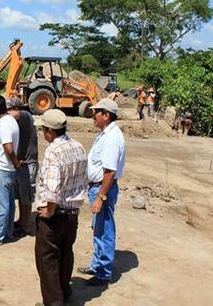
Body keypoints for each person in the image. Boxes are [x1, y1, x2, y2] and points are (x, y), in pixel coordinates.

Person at [34, 109, 88, 305]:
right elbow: (84, 179)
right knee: (66, 254)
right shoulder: (78, 146)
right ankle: (64, 291)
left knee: (47, 261)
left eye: (43, 130)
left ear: (49, 131)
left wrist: (49, 210)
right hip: (72, 214)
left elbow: (52, 186)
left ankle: (54, 302)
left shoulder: (53, 152)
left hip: (55, 215)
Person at [77, 98, 126, 286]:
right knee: (98, 229)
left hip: (102, 188)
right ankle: (97, 265)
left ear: (106, 115)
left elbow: (110, 171)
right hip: (97, 187)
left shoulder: (112, 137)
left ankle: (104, 272)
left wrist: (101, 197)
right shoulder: (106, 133)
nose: (92, 116)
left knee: (104, 229)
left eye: (96, 112)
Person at [0, 95, 20, 246]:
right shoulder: (8, 120)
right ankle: (7, 232)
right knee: (9, 202)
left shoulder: (5, 124)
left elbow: (8, 147)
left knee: (2, 203)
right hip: (7, 168)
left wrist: (15, 162)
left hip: (2, 167)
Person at [6, 97, 38, 235]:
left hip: (28, 164)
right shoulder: (18, 121)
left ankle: (25, 225)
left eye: (8, 109)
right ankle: (21, 220)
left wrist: (2, 116)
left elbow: (15, 114)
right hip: (21, 163)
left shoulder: (26, 116)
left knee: (26, 196)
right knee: (21, 195)